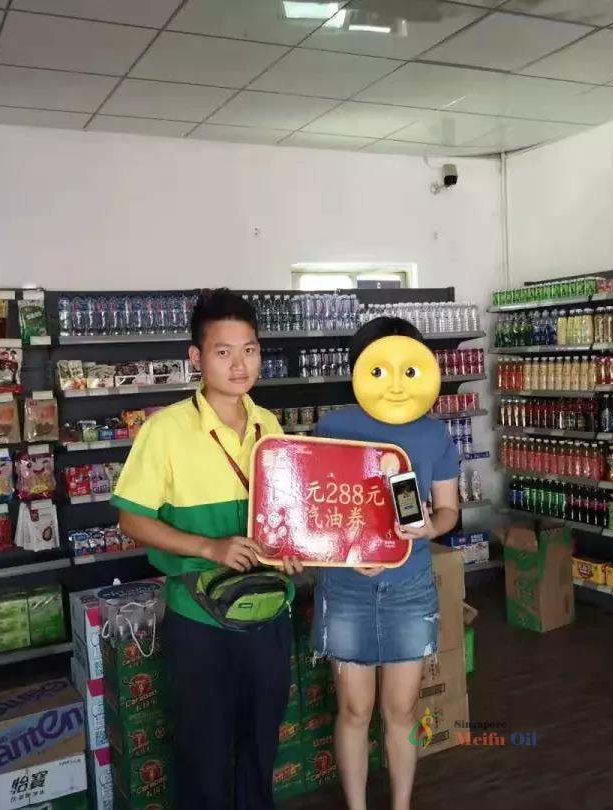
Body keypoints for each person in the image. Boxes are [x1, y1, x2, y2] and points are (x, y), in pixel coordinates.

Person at [113, 289, 302, 810]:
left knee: (260, 745)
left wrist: (289, 548)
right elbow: (132, 519)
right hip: (200, 619)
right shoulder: (165, 430)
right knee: (204, 752)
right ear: (196, 357)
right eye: (224, 352)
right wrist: (209, 547)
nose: (240, 365)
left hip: (269, 612)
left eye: (250, 350)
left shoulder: (269, 425)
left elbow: (280, 515)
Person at [311, 317, 460, 810]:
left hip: (410, 587)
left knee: (402, 710)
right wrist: (350, 553)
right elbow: (318, 508)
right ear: (359, 367)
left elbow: (448, 510)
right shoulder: (333, 427)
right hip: (346, 588)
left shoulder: (435, 434)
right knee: (355, 710)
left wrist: (429, 528)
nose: (394, 378)